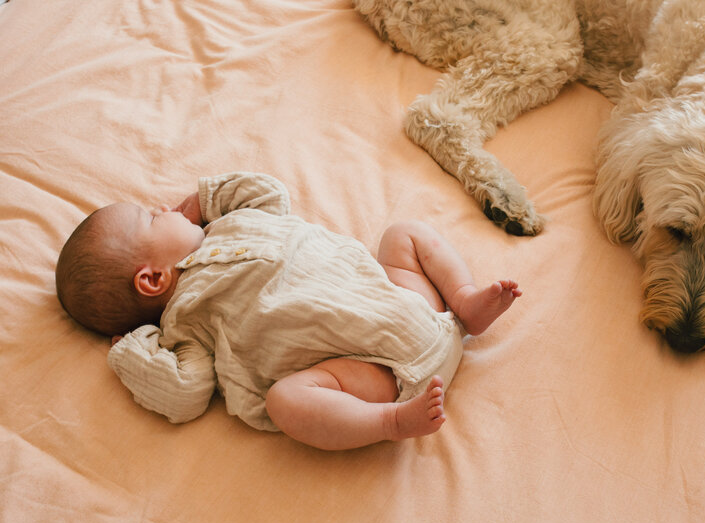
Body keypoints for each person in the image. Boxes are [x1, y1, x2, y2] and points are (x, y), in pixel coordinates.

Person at [56, 172, 521, 450]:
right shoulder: (186, 325)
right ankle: (390, 423)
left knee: (403, 233)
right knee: (286, 400)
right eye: (154, 218)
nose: (165, 207)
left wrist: (205, 200)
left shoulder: (231, 223)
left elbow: (269, 192)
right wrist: (133, 352)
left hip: (411, 305)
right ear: (152, 279)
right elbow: (184, 393)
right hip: (381, 374)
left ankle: (463, 301)